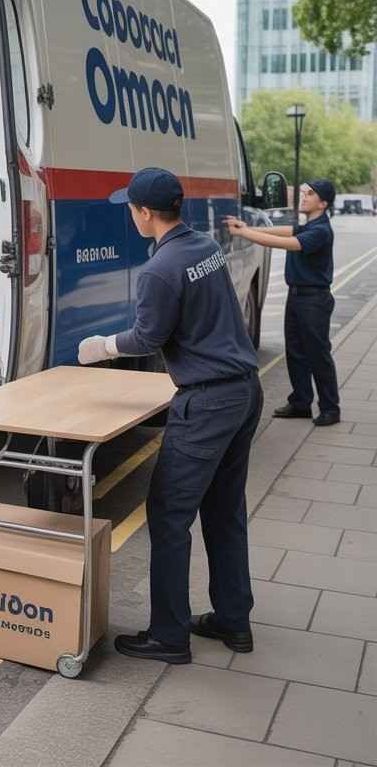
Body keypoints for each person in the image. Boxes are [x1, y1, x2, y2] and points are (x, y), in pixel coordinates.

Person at [78, 168, 262, 664]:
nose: (131, 215)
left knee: (168, 515)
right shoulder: (202, 246)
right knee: (224, 510)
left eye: (131, 208)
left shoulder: (160, 269)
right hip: (244, 391)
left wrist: (100, 346)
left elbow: (148, 338)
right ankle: (232, 619)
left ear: (144, 212)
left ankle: (169, 635)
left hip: (207, 403)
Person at [225, 179, 340, 427]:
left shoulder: (320, 230)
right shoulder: (309, 225)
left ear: (323, 202)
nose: (303, 196)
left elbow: (287, 243)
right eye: (303, 192)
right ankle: (300, 403)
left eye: (309, 193)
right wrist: (248, 226)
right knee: (296, 351)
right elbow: (284, 232)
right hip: (297, 296)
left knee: (318, 354)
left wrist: (245, 233)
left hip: (314, 300)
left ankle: (330, 408)